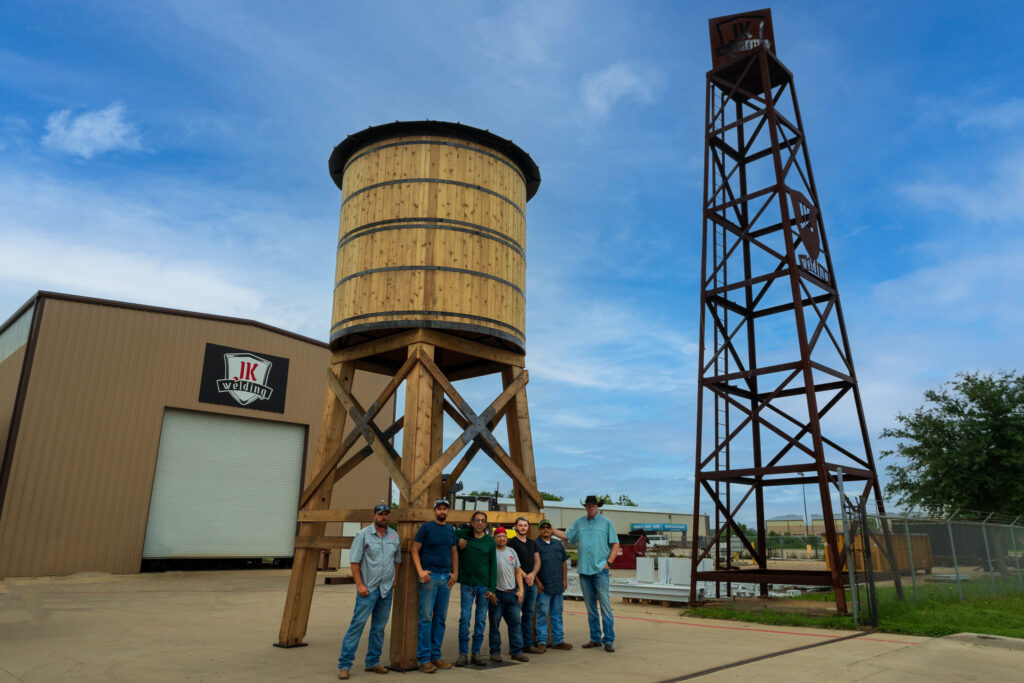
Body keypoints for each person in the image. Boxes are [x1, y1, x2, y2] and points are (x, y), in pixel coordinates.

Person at [337, 503, 401, 680]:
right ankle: (345, 665)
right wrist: (359, 584)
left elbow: (397, 560)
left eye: (386, 514)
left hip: (386, 590)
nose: (384, 517)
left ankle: (372, 662)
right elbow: (354, 562)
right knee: (357, 626)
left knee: (379, 628)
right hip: (368, 589)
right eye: (380, 514)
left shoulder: (393, 535)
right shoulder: (363, 535)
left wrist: (395, 579)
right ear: (374, 516)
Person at [551, 495, 620, 652]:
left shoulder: (606, 523)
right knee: (590, 608)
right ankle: (595, 639)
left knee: (605, 607)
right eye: (588, 506)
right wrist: (551, 528)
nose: (590, 508)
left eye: (593, 506)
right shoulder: (579, 522)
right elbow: (567, 536)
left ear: (597, 507)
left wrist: (609, 562)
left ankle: (608, 639)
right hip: (584, 571)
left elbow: (615, 543)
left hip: (600, 570)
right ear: (585, 507)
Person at [412, 498, 459, 673]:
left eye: (445, 509)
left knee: (440, 619)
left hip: (446, 577)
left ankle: (436, 656)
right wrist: (420, 571)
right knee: (426, 618)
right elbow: (415, 550)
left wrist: (455, 573)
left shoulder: (450, 529)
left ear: (448, 511)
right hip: (429, 578)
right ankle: (424, 659)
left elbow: (454, 551)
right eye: (439, 509)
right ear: (434, 511)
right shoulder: (426, 528)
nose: (442, 512)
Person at [454, 511, 496, 667]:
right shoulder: (465, 535)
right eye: (477, 520)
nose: (479, 523)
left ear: (486, 524)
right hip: (467, 585)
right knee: (464, 618)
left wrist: (492, 587)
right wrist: (458, 541)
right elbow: (448, 534)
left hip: (484, 586)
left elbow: (493, 565)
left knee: (480, 620)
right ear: (471, 522)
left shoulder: (489, 541)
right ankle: (463, 653)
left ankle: (476, 652)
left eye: (482, 521)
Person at [488, 526, 528, 663]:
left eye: (504, 536)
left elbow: (518, 571)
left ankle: (517, 651)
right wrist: (490, 591)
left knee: (516, 623)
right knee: (495, 624)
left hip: (512, 594)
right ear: (495, 538)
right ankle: (495, 652)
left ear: (507, 538)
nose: (502, 539)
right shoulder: (491, 552)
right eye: (499, 536)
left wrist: (521, 589)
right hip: (497, 595)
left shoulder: (512, 551)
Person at [533, 519, 572, 652]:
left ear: (551, 529)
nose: (545, 530)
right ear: (539, 530)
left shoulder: (558, 544)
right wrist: (537, 582)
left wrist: (564, 580)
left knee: (557, 613)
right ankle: (542, 641)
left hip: (557, 585)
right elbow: (533, 565)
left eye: (548, 528)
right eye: (543, 528)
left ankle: (558, 640)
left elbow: (563, 563)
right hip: (543, 586)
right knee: (542, 614)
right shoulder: (535, 545)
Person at [508, 516, 542, 654]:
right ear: (516, 526)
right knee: (516, 616)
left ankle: (527, 644)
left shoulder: (532, 543)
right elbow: (512, 562)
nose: (523, 528)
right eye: (520, 525)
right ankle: (515, 646)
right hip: (518, 584)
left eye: (525, 525)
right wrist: (524, 575)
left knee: (528, 614)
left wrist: (532, 575)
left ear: (528, 527)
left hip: (531, 583)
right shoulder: (512, 543)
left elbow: (538, 560)